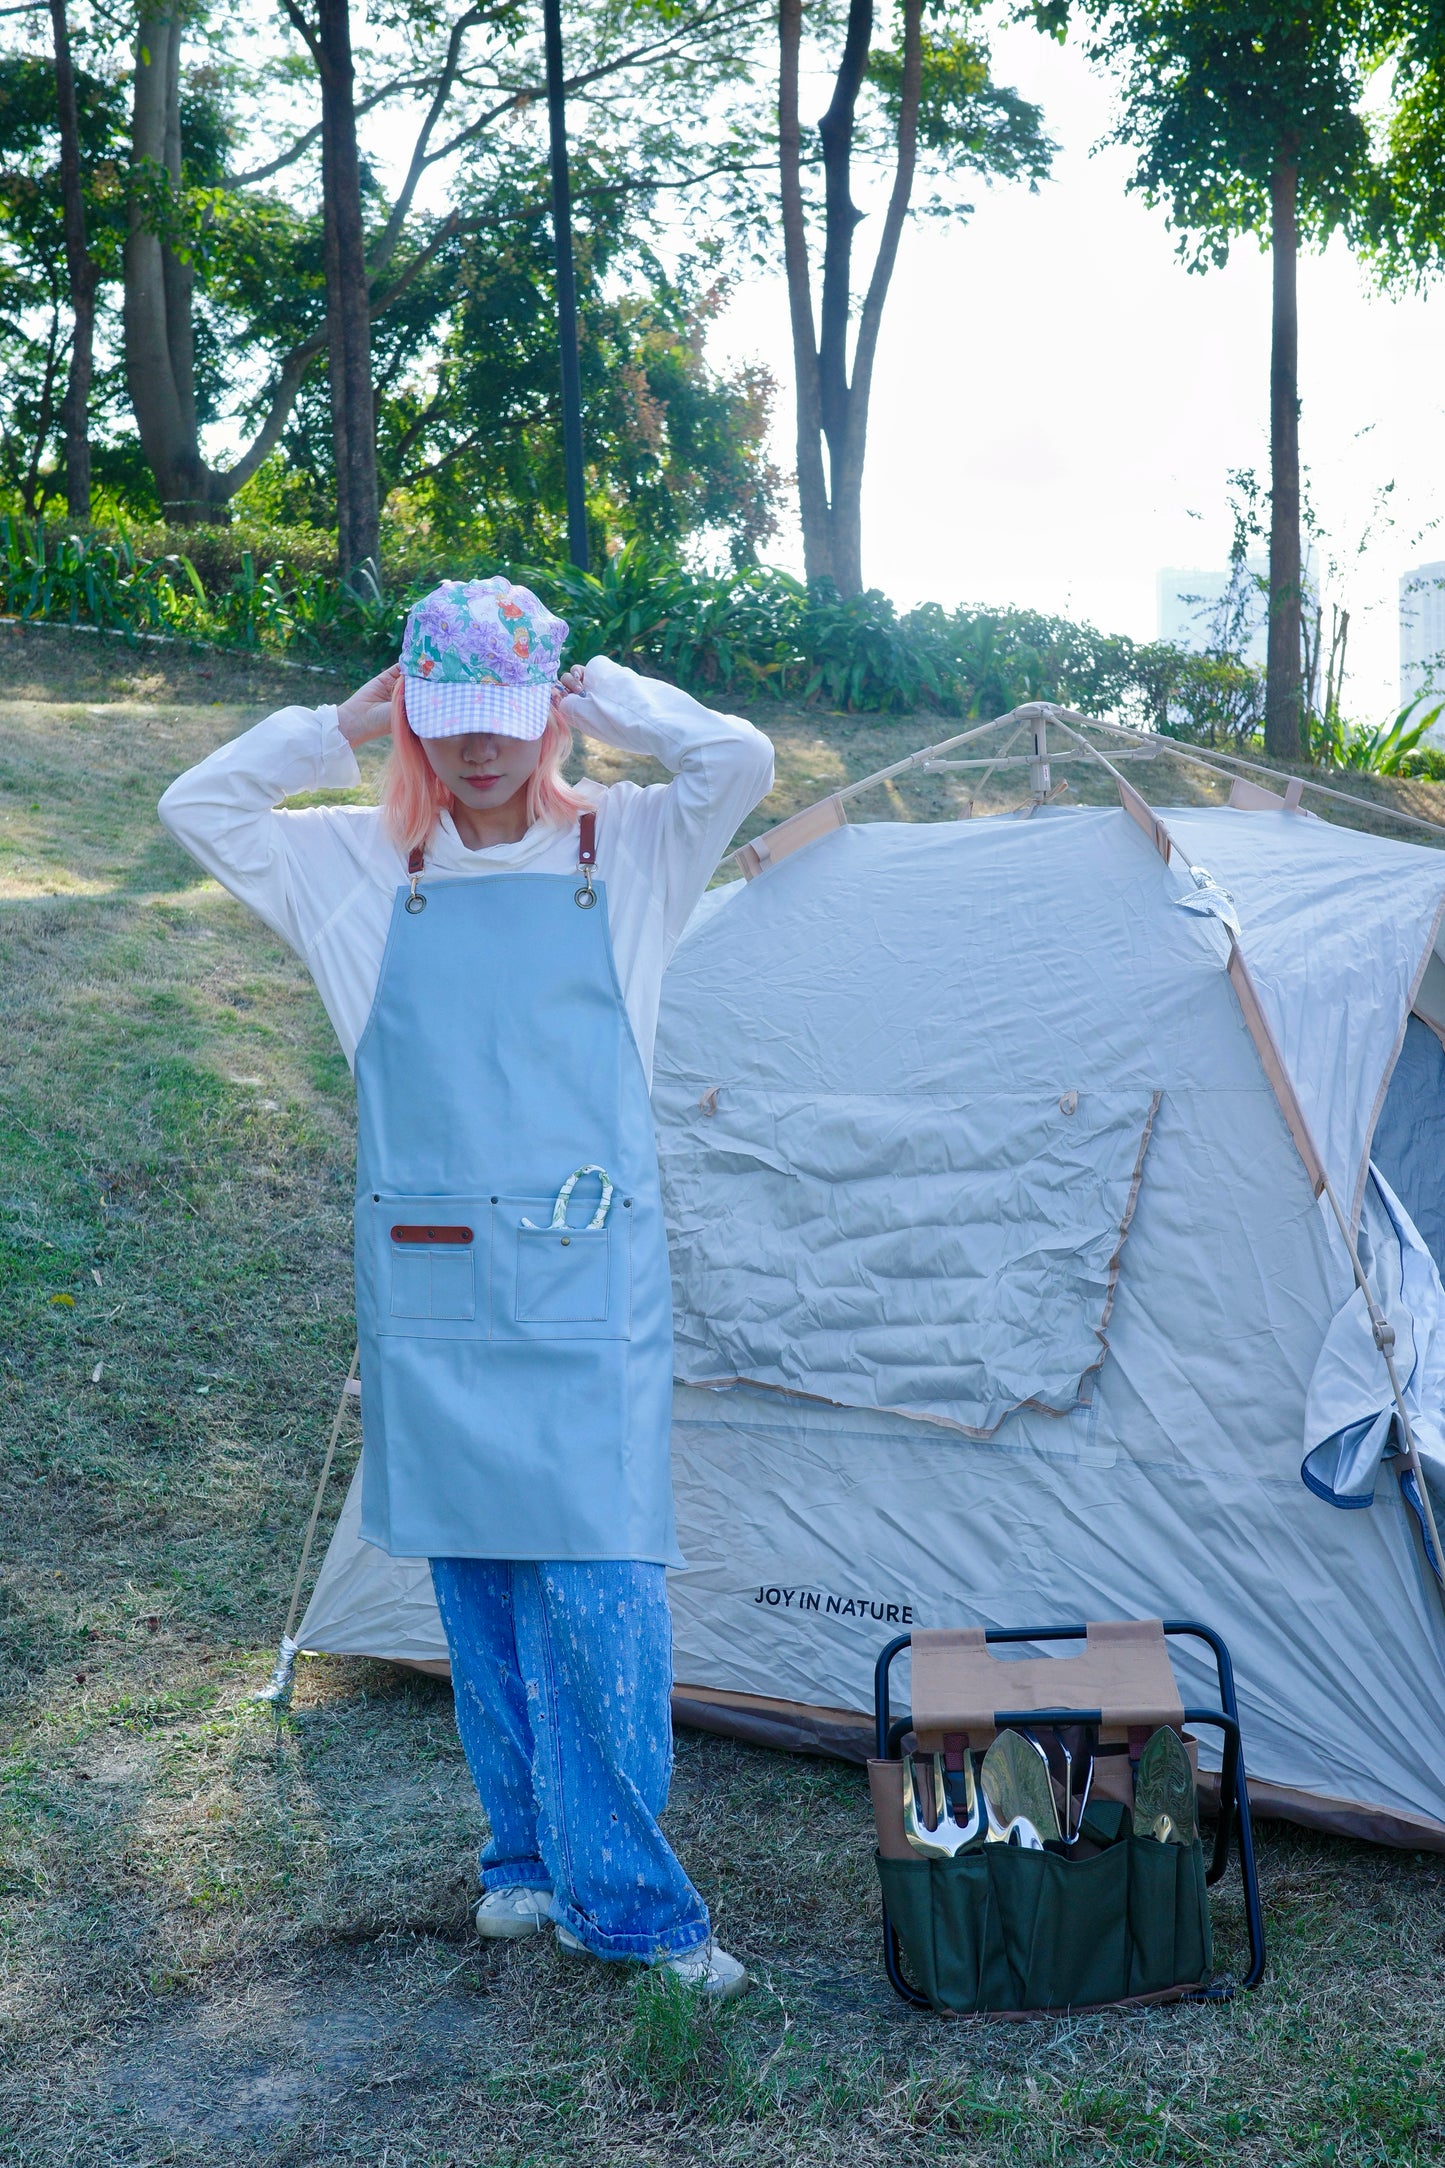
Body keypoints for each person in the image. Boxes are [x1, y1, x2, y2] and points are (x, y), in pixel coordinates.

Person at [159, 576, 775, 1999]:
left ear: (546, 713)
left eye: (507, 717)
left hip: (585, 1290)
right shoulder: (355, 870)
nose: (482, 748)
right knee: (482, 1587)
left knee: (604, 1590)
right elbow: (198, 807)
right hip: (434, 1285)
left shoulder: (627, 847)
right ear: (412, 714)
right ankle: (524, 1870)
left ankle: (629, 1905)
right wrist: (332, 728)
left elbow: (735, 760)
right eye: (450, 719)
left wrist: (609, 698)